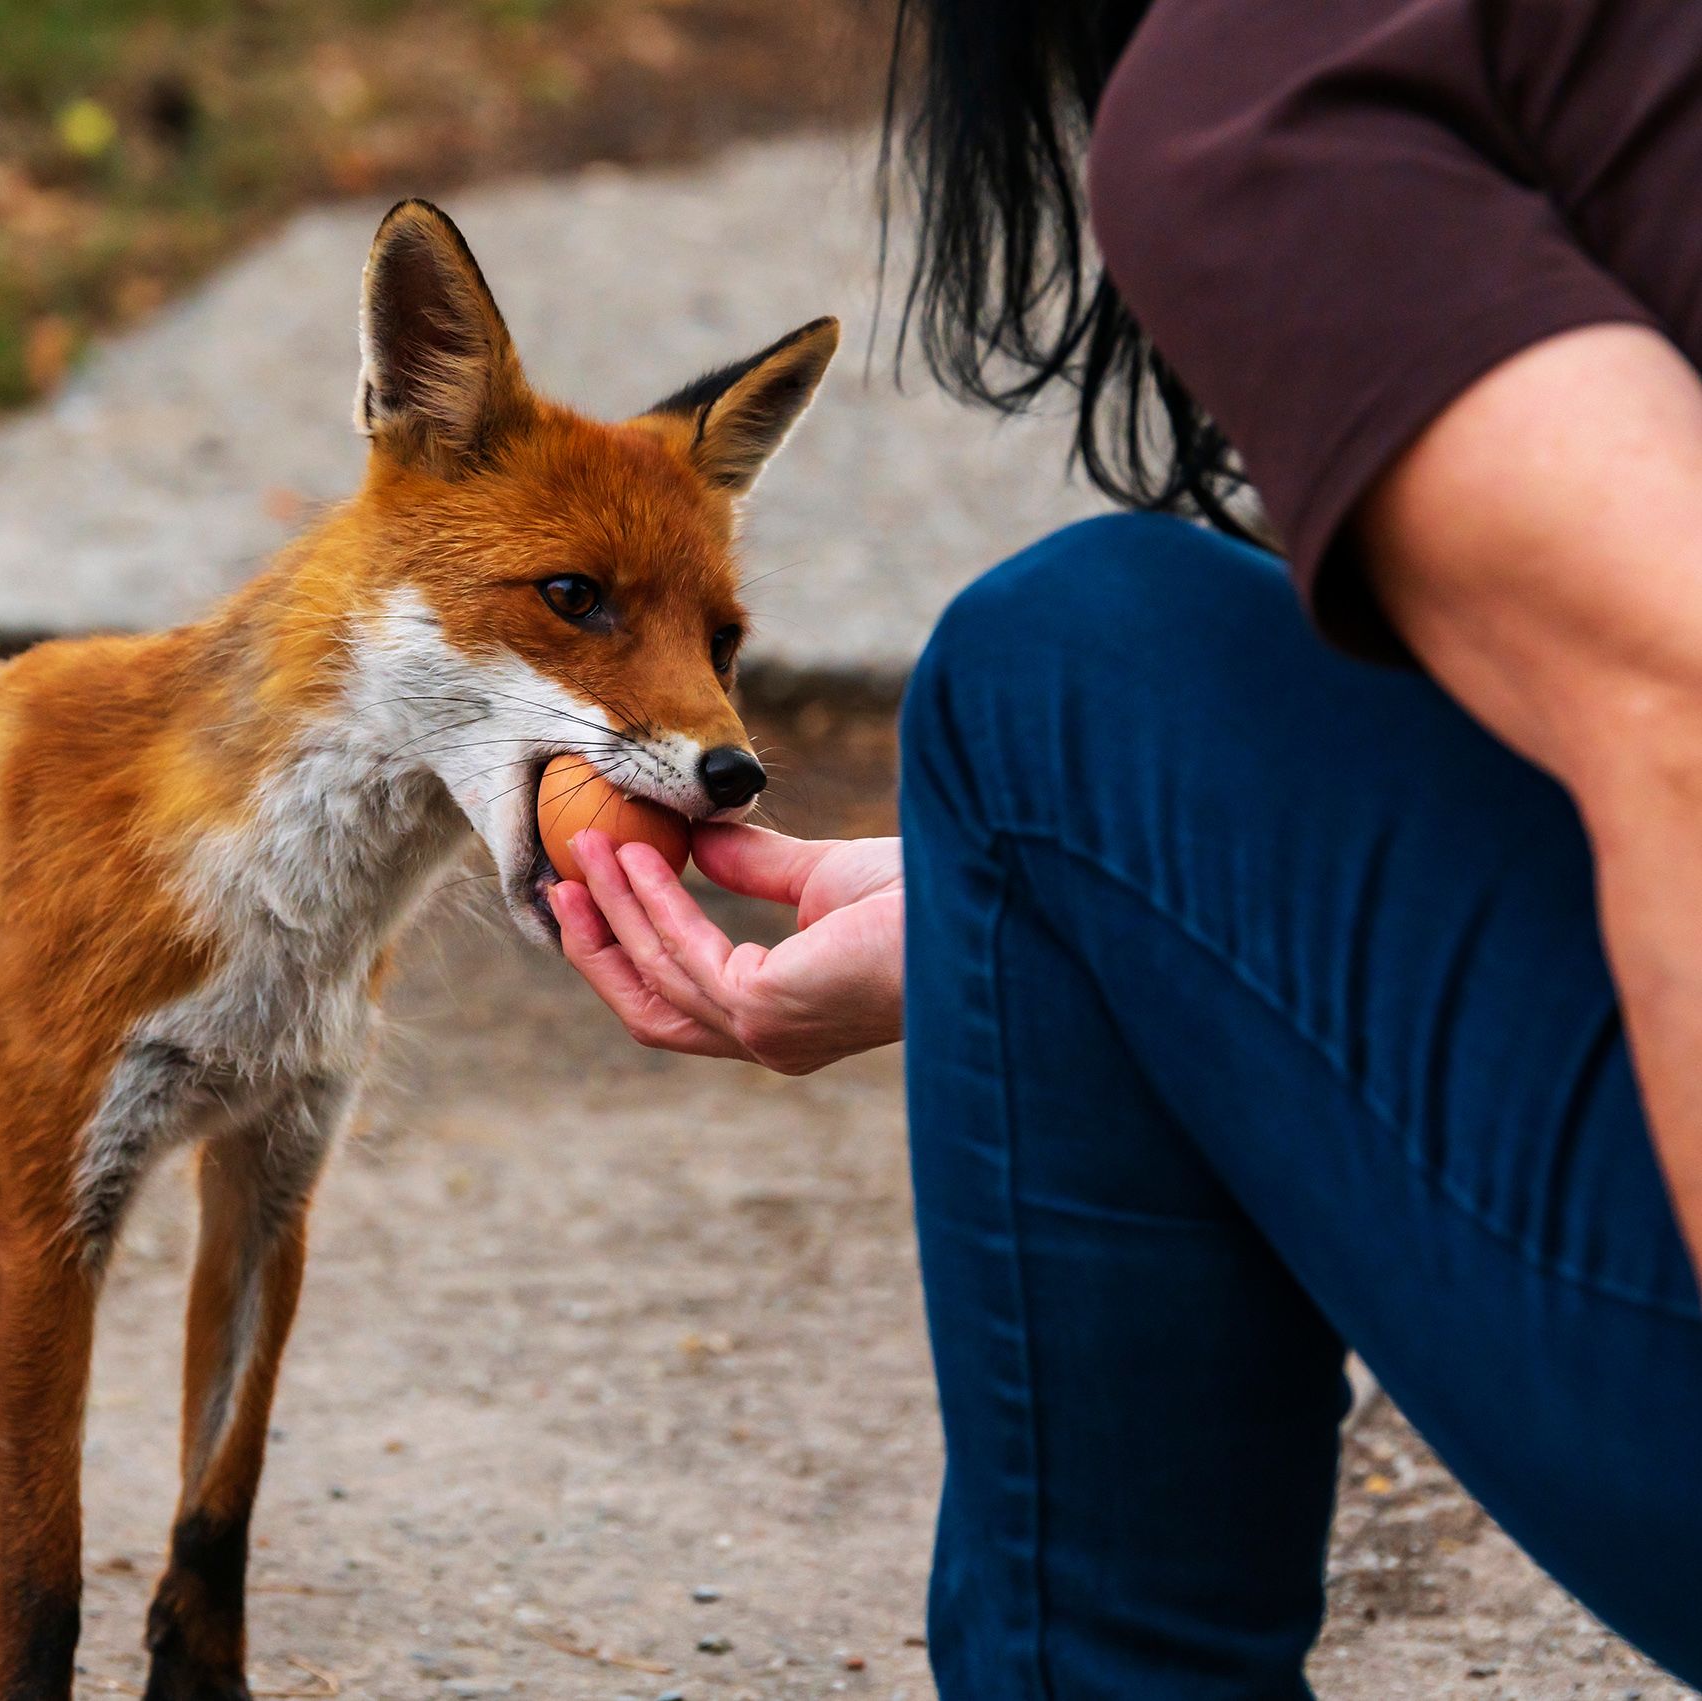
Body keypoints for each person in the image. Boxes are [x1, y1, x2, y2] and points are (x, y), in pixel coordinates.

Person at [550, 0, 1702, 1691]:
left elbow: (1677, 689)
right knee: (1081, 767)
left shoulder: (1275, 86)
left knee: (1062, 666)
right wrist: (1040, 912)